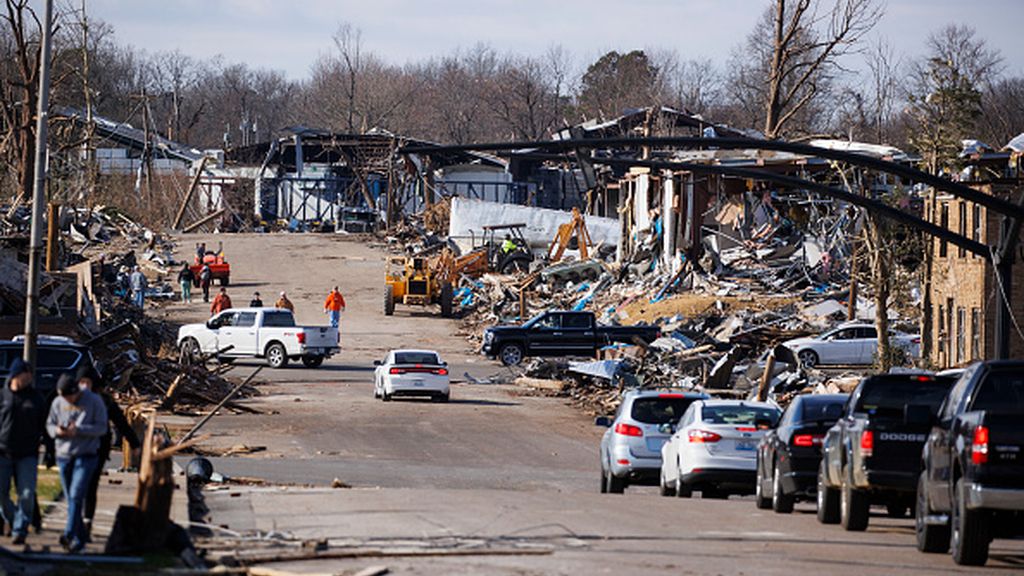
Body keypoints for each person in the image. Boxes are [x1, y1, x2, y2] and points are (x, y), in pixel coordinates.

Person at [76, 365, 139, 541]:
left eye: (87, 382)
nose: (84, 386)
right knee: (77, 487)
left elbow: (120, 421)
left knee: (90, 486)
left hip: (98, 449)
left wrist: (134, 443)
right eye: (81, 382)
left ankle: (87, 522)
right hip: (77, 448)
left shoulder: (104, 400)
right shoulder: (74, 399)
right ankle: (76, 523)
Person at [47, 373, 106, 553]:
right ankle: (80, 540)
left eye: (69, 398)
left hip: (86, 455)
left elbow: (102, 427)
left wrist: (78, 430)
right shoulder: (58, 402)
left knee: (76, 494)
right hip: (64, 455)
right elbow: (49, 424)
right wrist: (57, 431)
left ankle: (69, 534)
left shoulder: (94, 401)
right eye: (63, 398)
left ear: (75, 392)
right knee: (72, 499)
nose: (67, 401)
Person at [0, 359, 46, 545]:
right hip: (2, 452)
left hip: (27, 453)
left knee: (26, 494)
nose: (27, 380)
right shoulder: (2, 396)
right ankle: (12, 519)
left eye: (29, 377)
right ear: (14, 375)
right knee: (1, 495)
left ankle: (20, 529)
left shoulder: (35, 398)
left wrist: (48, 448)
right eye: (24, 377)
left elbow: (44, 425)